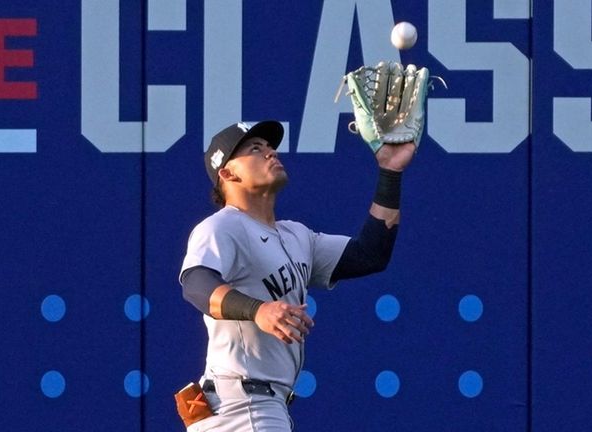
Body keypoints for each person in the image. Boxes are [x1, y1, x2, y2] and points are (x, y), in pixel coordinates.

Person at [178, 119, 416, 431]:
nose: (270, 153)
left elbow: (370, 254)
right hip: (240, 407)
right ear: (227, 173)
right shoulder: (222, 226)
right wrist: (258, 309)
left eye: (270, 146)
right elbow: (196, 284)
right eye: (255, 149)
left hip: (260, 406)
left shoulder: (295, 235)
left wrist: (390, 174)